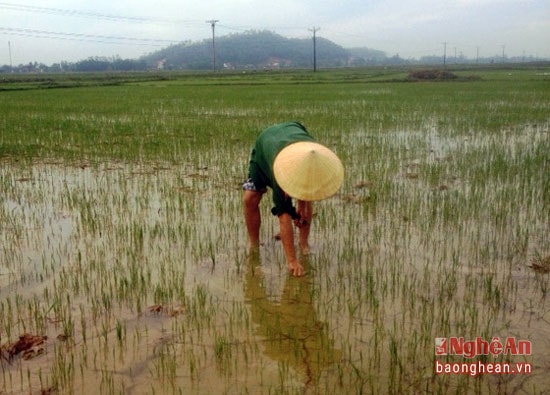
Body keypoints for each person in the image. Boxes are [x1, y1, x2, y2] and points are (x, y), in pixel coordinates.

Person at [242, 121, 344, 277]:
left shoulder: (314, 154)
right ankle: (253, 243)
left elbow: (307, 186)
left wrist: (302, 206)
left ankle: (304, 243)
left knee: (306, 195)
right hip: (265, 147)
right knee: (250, 198)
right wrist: (292, 261)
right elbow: (284, 217)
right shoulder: (279, 170)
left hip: (294, 134)